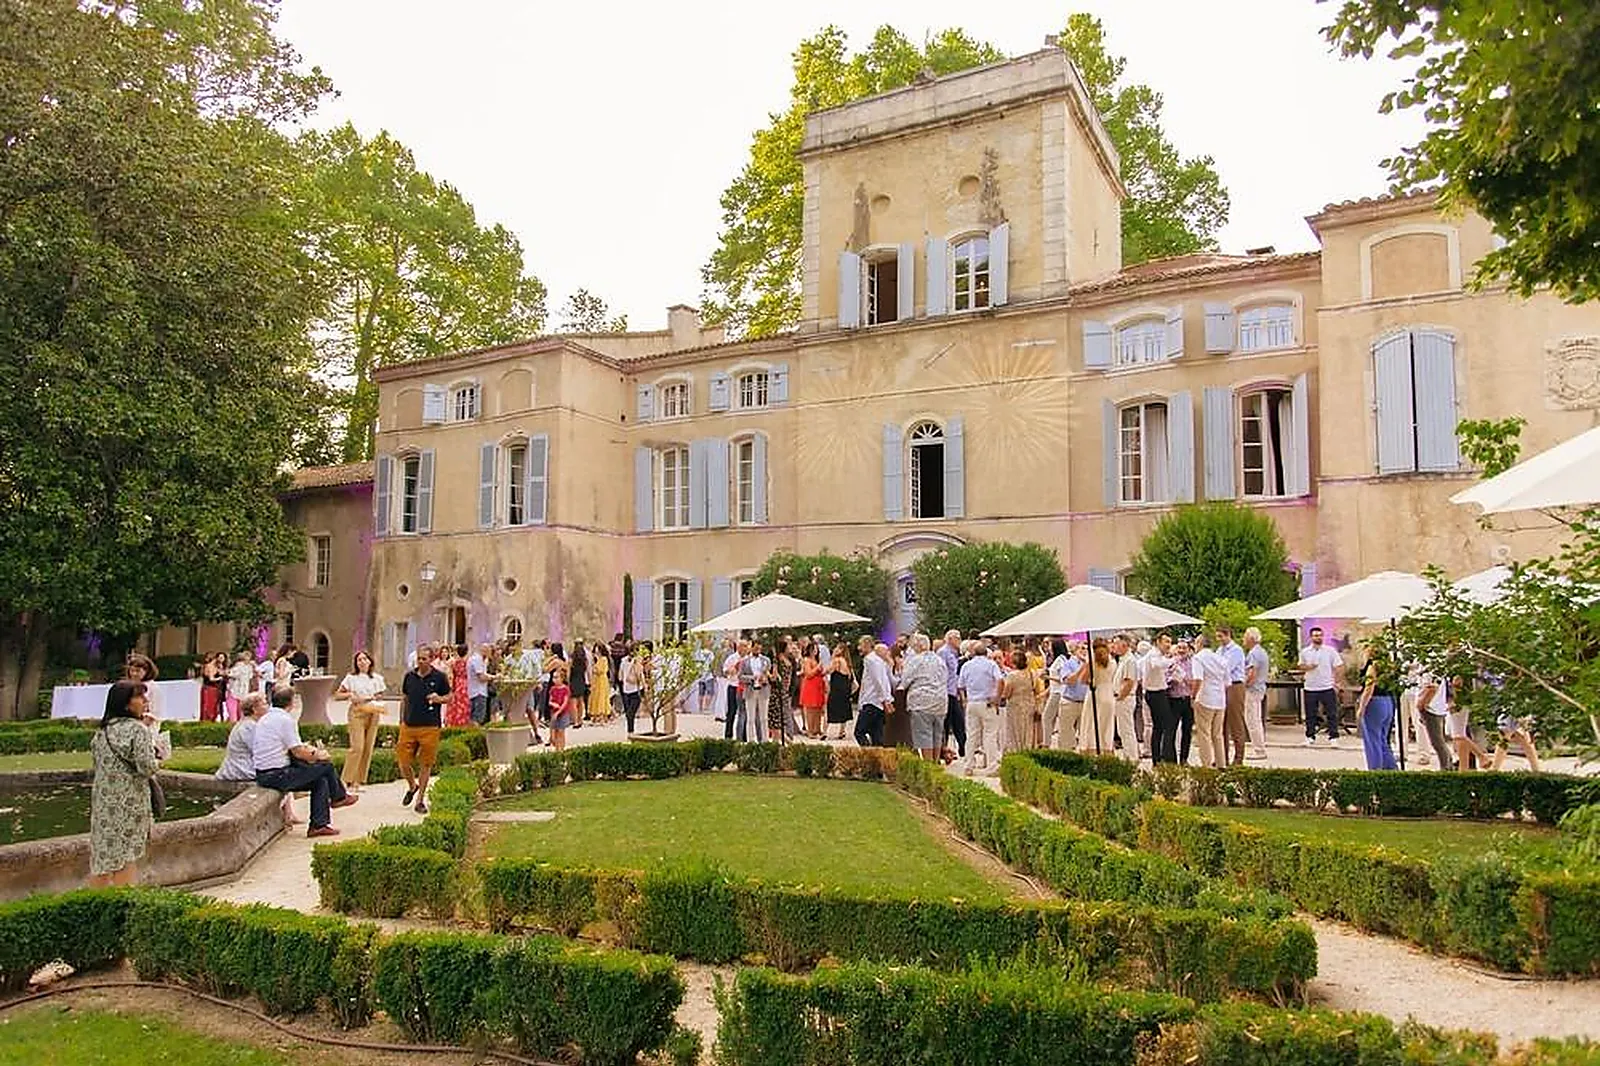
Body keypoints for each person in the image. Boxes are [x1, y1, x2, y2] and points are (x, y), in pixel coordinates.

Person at [88, 680, 171, 885]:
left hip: (104, 801)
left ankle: (94, 901)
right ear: (126, 704)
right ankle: (122, 901)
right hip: (130, 802)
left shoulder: (102, 731)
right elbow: (147, 767)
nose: (145, 700)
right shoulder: (137, 730)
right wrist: (160, 756)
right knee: (127, 854)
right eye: (140, 697)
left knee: (103, 856)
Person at [253, 684, 357, 836]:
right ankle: (338, 797)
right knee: (326, 766)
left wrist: (311, 753)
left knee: (320, 781)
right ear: (292, 702)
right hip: (277, 775)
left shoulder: (267, 718)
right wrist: (318, 755)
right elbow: (298, 752)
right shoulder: (285, 720)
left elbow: (292, 748)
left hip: (265, 773)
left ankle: (318, 825)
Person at [216, 692, 297, 825]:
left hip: (246, 764)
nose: (268, 706)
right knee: (278, 771)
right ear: (254, 709)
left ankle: (288, 812)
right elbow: (259, 750)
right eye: (264, 703)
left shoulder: (252, 724)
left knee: (280, 768)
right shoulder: (249, 727)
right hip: (241, 768)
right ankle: (288, 813)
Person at [398, 644, 450, 814]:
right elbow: (404, 698)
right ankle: (412, 786)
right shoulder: (409, 677)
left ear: (431, 659)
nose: (420, 661)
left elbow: (450, 696)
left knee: (426, 764)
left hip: (430, 726)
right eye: (419, 658)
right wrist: (401, 721)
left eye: (424, 659)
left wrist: (438, 699)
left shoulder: (440, 677)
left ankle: (420, 800)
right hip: (409, 725)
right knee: (403, 762)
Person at [335, 650, 386, 791]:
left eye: (365, 659)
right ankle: (346, 779)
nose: (362, 662)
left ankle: (358, 781)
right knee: (357, 747)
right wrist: (350, 694)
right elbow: (337, 695)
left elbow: (380, 694)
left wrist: (376, 697)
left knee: (368, 747)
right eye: (359, 660)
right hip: (357, 711)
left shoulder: (377, 678)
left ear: (370, 661)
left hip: (373, 711)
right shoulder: (351, 678)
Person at [957, 639, 1004, 775]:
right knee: (990, 734)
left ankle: (968, 765)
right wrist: (997, 697)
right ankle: (992, 766)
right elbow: (1000, 680)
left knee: (972, 734)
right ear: (986, 653)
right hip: (987, 702)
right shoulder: (991, 665)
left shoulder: (967, 665)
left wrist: (964, 700)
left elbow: (960, 685)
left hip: (972, 702)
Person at [899, 634, 948, 762]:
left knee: (924, 735)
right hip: (941, 702)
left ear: (919, 646)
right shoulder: (939, 660)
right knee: (937, 735)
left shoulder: (916, 660)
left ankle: (928, 765)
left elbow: (905, 680)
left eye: (914, 646)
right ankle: (936, 763)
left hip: (922, 702)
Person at [1355, 645, 1400, 771]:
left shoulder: (1372, 666)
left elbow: (1369, 686)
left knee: (1372, 739)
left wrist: (1362, 707)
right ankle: (1391, 768)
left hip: (1374, 702)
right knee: (1383, 739)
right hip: (1388, 701)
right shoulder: (1389, 668)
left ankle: (1375, 769)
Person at [1299, 626, 1344, 747]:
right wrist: (1308, 667)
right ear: (1311, 637)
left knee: (1331, 713)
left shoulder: (1330, 651)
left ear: (1322, 636)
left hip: (1327, 686)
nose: (1317, 637)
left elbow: (1338, 666)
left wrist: (1337, 682)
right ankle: (1310, 736)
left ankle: (1333, 737)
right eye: (1315, 635)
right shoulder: (1305, 652)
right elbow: (1300, 666)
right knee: (1310, 714)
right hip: (1310, 686)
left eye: (1319, 635)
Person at [1190, 634, 1229, 768]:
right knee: (1218, 734)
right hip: (1220, 700)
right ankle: (1221, 764)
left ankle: (1206, 765)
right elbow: (1227, 682)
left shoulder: (1198, 658)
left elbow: (1198, 679)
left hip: (1205, 698)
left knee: (1204, 733)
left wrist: (1193, 696)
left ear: (1200, 644)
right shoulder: (1221, 659)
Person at [1143, 635, 1177, 764]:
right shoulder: (1153, 654)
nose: (1168, 644)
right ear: (1158, 642)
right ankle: (1164, 757)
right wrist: (1173, 660)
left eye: (1170, 642)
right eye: (1166, 641)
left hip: (1159, 692)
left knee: (1158, 727)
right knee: (1167, 725)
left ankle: (1157, 759)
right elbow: (1156, 665)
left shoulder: (1160, 656)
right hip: (1155, 693)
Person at [1217, 626, 1248, 765]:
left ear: (1228, 635)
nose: (1219, 640)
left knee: (1236, 721)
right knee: (1221, 722)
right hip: (1221, 686)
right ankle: (1223, 756)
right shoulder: (1219, 650)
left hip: (1235, 686)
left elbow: (1226, 668)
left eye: (1220, 636)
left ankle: (1239, 757)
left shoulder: (1236, 650)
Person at [999, 649, 1038, 757]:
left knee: (1015, 732)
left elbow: (1007, 693)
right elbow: (1034, 687)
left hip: (1015, 706)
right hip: (1029, 705)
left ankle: (1016, 754)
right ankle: (1027, 753)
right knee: (1028, 732)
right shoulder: (1032, 673)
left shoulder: (1012, 676)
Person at [1109, 634, 1141, 763]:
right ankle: (1129, 756)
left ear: (1124, 645)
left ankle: (1132, 758)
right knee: (1123, 730)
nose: (1114, 647)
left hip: (1125, 699)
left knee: (1126, 730)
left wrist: (1120, 697)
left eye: (1116, 644)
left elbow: (1129, 682)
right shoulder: (1123, 660)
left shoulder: (1130, 660)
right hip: (1120, 698)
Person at [855, 638, 891, 747]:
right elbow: (884, 680)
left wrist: (885, 699)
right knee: (876, 735)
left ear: (867, 645)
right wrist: (887, 698)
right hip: (878, 702)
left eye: (860, 645)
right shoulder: (878, 660)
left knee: (859, 732)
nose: (858, 648)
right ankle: (878, 758)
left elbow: (878, 681)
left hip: (871, 701)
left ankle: (868, 755)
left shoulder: (869, 660)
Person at [1242, 628, 1271, 760]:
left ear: (1251, 639)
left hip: (1253, 690)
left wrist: (1244, 685)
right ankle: (1259, 748)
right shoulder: (1262, 652)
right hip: (1260, 688)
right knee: (1256, 719)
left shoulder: (1253, 654)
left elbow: (1252, 673)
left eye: (1245, 637)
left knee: (1252, 720)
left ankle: (1259, 749)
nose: (1243, 639)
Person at [1415, 673, 1455, 770]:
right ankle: (1448, 763)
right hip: (1437, 708)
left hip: (1432, 709)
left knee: (1437, 742)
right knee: (1439, 740)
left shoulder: (1431, 669)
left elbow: (1432, 687)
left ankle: (1446, 767)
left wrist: (1422, 704)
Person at [939, 630, 966, 762]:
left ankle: (961, 747)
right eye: (957, 638)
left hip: (953, 692)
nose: (960, 641)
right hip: (946, 692)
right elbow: (942, 672)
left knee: (957, 720)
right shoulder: (944, 652)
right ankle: (945, 750)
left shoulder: (954, 653)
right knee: (947, 722)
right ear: (950, 639)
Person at [1167, 641, 1195, 764]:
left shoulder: (1192, 664)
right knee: (1171, 729)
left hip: (1188, 699)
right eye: (1179, 647)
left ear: (1189, 650)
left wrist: (1185, 678)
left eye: (1184, 648)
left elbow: (1195, 681)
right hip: (1174, 699)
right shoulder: (1171, 662)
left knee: (1187, 730)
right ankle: (1171, 759)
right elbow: (1164, 678)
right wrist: (1171, 679)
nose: (1181, 650)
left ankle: (1184, 758)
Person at [825, 645, 854, 740]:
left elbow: (827, 671)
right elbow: (855, 683)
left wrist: (832, 657)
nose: (834, 649)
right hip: (845, 690)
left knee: (830, 709)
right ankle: (842, 731)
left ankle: (825, 732)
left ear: (841, 650)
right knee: (844, 710)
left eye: (837, 648)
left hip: (836, 689)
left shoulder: (837, 660)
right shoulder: (848, 663)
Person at [798, 647, 827, 738]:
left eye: (816, 649)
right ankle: (810, 731)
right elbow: (808, 674)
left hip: (818, 686)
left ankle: (817, 729)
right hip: (810, 686)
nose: (815, 650)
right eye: (813, 648)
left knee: (818, 709)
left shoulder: (817, 660)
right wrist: (817, 668)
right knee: (811, 709)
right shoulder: (807, 660)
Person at [124, 653, 162, 718]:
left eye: (137, 671)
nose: (134, 674)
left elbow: (154, 711)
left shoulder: (152, 687)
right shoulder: (127, 685)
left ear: (147, 671)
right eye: (132, 671)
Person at [547, 664, 574, 751]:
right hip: (554, 712)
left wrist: (558, 712)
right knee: (555, 732)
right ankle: (557, 749)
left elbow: (565, 703)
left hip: (563, 713)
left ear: (562, 678)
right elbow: (549, 701)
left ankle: (561, 749)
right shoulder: (552, 689)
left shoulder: (565, 689)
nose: (554, 679)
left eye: (556, 677)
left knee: (561, 732)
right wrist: (553, 704)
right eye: (553, 677)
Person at [467, 643, 495, 726]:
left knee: (475, 716)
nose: (490, 654)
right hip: (478, 692)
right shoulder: (477, 660)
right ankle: (475, 735)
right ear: (485, 650)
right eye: (489, 652)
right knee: (478, 717)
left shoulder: (478, 659)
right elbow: (481, 677)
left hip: (475, 691)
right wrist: (494, 677)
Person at [619, 643, 644, 734]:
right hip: (635, 689)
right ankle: (631, 732)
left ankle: (630, 732)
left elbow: (620, 677)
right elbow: (640, 676)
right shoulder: (637, 661)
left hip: (627, 689)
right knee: (630, 713)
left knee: (629, 713)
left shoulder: (623, 660)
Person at [226, 651, 255, 723]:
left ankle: (241, 722)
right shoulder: (238, 666)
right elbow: (231, 674)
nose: (248, 658)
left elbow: (250, 677)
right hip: (235, 688)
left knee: (241, 708)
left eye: (249, 657)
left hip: (244, 689)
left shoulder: (250, 667)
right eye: (246, 656)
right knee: (233, 708)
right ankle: (233, 722)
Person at [588, 640, 611, 722]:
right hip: (596, 680)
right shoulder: (596, 660)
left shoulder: (604, 659)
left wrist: (596, 667)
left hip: (602, 680)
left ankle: (602, 714)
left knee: (602, 696)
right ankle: (595, 714)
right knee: (595, 696)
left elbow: (601, 670)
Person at [199, 651, 225, 722]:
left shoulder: (218, 666)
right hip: (209, 688)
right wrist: (219, 678)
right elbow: (211, 679)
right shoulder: (210, 666)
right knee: (208, 706)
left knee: (214, 707)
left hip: (215, 689)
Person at [569, 643, 590, 727]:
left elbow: (569, 673)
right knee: (580, 701)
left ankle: (575, 721)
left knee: (573, 702)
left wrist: (567, 681)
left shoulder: (572, 661)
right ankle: (580, 719)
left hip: (573, 680)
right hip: (581, 680)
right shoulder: (585, 661)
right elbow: (587, 671)